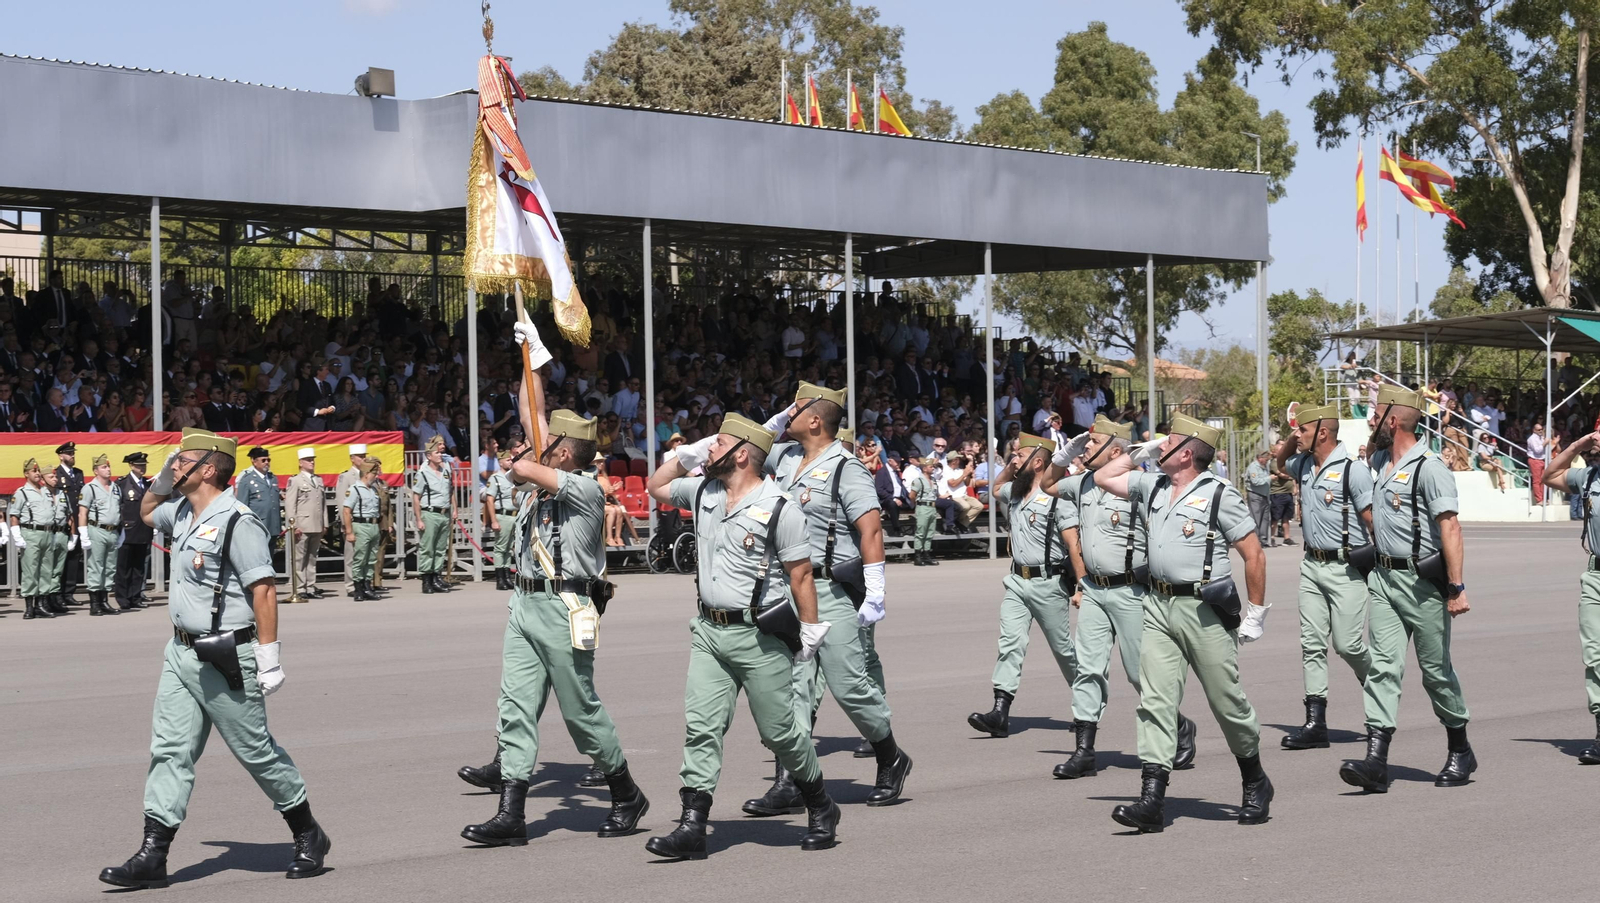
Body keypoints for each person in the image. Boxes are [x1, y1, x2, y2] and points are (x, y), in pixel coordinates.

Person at [99, 429, 330, 889]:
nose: (174, 464)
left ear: (208, 469)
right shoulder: (183, 510)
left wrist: (268, 657)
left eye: (183, 460)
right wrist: (165, 475)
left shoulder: (237, 520)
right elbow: (146, 511)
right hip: (181, 651)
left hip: (226, 654)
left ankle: (308, 832)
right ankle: (153, 854)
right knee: (170, 750)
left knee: (255, 752)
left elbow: (263, 589)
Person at [460, 386, 649, 848]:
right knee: (515, 707)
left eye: (546, 444)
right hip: (525, 603)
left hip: (563, 608)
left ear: (563, 452)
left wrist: (523, 459)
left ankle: (626, 792)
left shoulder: (585, 487)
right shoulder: (549, 478)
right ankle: (511, 813)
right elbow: (533, 410)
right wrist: (531, 357)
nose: (534, 445)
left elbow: (524, 467)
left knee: (580, 711)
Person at [644, 414, 840, 860]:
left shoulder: (780, 507)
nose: (709, 448)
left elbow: (801, 574)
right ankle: (692, 824)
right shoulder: (704, 491)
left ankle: (819, 803)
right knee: (702, 727)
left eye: (718, 443)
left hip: (758, 638)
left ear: (742, 455)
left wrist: (810, 631)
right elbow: (656, 486)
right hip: (709, 632)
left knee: (779, 733)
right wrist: (686, 454)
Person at [1094, 414, 1273, 832]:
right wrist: (1141, 451)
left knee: (1226, 702)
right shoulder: (1153, 485)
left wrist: (1256, 613)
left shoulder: (1219, 493)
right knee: (1155, 701)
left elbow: (1253, 554)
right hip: (1158, 606)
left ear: (1187, 453)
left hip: (1203, 610)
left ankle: (1254, 780)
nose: (1160, 445)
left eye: (1168, 441)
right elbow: (1103, 476)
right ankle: (1152, 800)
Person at [744, 383, 908, 814]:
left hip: (830, 590)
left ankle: (890, 755)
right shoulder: (785, 457)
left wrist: (875, 589)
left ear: (816, 420)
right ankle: (789, 781)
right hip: (788, 588)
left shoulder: (845, 467)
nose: (788, 414)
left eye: (796, 409)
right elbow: (750, 446)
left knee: (848, 685)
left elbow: (871, 529)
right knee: (792, 689)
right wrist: (780, 418)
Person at [1339, 385, 1476, 793]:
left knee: (1435, 672)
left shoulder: (1429, 468)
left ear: (1393, 420)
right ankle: (1376, 761)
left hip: (1422, 585)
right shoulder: (1381, 460)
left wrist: (1456, 587)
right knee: (1383, 666)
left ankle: (1460, 748)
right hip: (1383, 579)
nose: (1370, 418)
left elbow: (1450, 528)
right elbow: (1371, 454)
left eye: (1376, 413)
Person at [1044, 416, 1197, 779]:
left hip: (1131, 590)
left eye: (1094, 443)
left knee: (1139, 673)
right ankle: (1084, 751)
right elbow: (1048, 484)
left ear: (1116, 452)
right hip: (1094, 590)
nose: (1086, 447)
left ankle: (1177, 726)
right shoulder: (1082, 483)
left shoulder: (1138, 485)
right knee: (1088, 669)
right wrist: (1062, 456)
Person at [1273, 404, 1374, 751]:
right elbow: (1279, 463)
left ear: (1323, 433)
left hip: (1346, 568)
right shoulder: (1303, 464)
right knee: (1311, 644)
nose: (1296, 435)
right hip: (1312, 566)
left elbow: (1373, 520)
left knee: (1347, 645)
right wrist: (1293, 437)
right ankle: (1316, 723)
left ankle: (1379, 685)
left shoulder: (1353, 471)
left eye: (1302, 430)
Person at [966, 433, 1079, 739]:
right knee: (1010, 644)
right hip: (1017, 581)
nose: (1013, 459)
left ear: (1038, 462)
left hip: (1048, 582)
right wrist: (1011, 466)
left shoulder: (1057, 497)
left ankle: (1087, 702)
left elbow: (1073, 543)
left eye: (1019, 455)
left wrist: (1081, 586)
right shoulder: (1016, 492)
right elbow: (995, 488)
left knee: (1063, 649)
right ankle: (1000, 712)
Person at [1542, 429, 1600, 764]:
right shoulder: (1589, 475)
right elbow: (1550, 475)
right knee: (1594, 654)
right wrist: (1577, 445)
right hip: (1595, 575)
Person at [11, 459, 60, 618]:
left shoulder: (45, 490)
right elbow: (14, 515)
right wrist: (17, 535)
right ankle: (29, 607)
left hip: (47, 533)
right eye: (34, 471)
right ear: (26, 474)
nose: (38, 474)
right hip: (31, 533)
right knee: (30, 570)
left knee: (46, 570)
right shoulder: (22, 492)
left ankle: (41, 604)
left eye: (38, 471)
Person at [79, 453, 126, 615]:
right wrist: (83, 533)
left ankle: (104, 601)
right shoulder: (90, 488)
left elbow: (119, 510)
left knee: (110, 567)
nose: (108, 469)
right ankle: (94, 604)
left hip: (113, 531)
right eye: (104, 467)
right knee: (96, 566)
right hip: (97, 529)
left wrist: (122, 531)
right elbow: (83, 512)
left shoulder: (116, 488)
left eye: (108, 466)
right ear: (95, 471)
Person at [411, 435, 455, 593]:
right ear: (429, 456)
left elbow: (450, 491)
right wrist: (418, 519)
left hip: (444, 512)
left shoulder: (445, 471)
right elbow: (416, 497)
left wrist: (453, 510)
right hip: (430, 513)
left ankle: (436, 576)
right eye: (437, 453)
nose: (440, 455)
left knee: (440, 548)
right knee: (428, 548)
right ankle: (426, 580)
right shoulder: (423, 473)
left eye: (440, 453)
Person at [284, 448, 326, 601]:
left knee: (312, 557)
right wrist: (293, 525)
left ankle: (310, 586)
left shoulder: (318, 480)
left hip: (316, 523)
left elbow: (323, 503)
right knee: (300, 559)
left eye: (312, 459)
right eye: (308, 460)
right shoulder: (295, 480)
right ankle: (300, 588)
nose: (312, 462)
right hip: (302, 524)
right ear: (300, 463)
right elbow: (290, 504)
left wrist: (325, 523)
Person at [341, 459, 384, 601]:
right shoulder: (355, 489)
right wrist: (349, 532)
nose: (376, 476)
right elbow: (346, 511)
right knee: (360, 558)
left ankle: (367, 586)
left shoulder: (373, 490)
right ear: (366, 474)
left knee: (371, 558)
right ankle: (358, 588)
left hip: (373, 525)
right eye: (374, 473)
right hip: (361, 525)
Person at [115, 452, 153, 610]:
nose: (142, 468)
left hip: (143, 530)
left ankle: (136, 596)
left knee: (139, 567)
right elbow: (118, 506)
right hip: (127, 531)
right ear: (131, 465)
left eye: (144, 465)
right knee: (124, 567)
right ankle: (123, 598)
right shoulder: (122, 483)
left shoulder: (148, 484)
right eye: (139, 465)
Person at [483, 449, 520, 590]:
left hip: (514, 515)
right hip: (503, 515)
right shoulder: (496, 478)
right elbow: (489, 500)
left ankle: (507, 576)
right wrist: (493, 520)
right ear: (500, 462)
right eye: (507, 460)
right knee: (500, 548)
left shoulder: (514, 476)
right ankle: (500, 578)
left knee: (509, 548)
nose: (510, 462)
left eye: (511, 460)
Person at [336, 444, 369, 597]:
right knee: (351, 555)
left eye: (364, 456)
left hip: (365, 521)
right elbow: (341, 501)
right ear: (352, 458)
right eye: (360, 457)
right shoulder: (346, 477)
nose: (363, 459)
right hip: (352, 520)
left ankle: (364, 583)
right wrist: (345, 523)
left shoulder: (367, 475)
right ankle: (351, 585)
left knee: (365, 554)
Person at [55, 441, 85, 602]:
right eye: (69, 453)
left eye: (73, 453)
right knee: (60, 557)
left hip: (77, 520)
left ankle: (69, 592)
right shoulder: (56, 474)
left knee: (74, 557)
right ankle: (57, 593)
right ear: (61, 456)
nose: (72, 456)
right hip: (63, 521)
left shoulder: (78, 473)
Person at [236, 447, 283, 542]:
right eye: (263, 460)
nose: (267, 462)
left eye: (268, 460)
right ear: (254, 461)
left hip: (273, 526)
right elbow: (242, 506)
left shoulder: (273, 478)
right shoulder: (247, 480)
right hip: (257, 527)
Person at [907, 456, 938, 566]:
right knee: (920, 532)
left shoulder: (933, 480)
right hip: (923, 506)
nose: (933, 468)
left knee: (930, 532)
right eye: (931, 466)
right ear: (924, 468)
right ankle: (918, 556)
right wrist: (916, 504)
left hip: (932, 507)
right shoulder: (918, 481)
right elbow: (912, 495)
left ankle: (927, 554)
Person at [1268, 445, 1296, 547]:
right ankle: (1271, 537)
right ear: (1275, 452)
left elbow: (1292, 474)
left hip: (1287, 493)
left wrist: (1294, 486)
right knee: (1275, 517)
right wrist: (1292, 475)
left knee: (1286, 517)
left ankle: (1287, 538)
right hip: (1277, 493)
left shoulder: (1286, 462)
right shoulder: (1274, 463)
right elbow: (1282, 475)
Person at [1245, 450, 1272, 547]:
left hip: (1264, 495)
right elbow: (1255, 481)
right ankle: (1256, 541)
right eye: (1265, 459)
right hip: (1255, 495)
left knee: (1265, 518)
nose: (1267, 461)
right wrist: (1269, 478)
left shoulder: (1264, 467)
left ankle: (1263, 540)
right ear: (1260, 458)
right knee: (1256, 518)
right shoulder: (1253, 467)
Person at [1528, 422, 1548, 504]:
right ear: (1534, 430)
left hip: (1542, 459)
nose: (1540, 431)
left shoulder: (1541, 437)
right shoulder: (1532, 439)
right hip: (1535, 460)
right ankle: (1539, 500)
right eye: (1538, 430)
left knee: (1543, 480)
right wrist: (1544, 443)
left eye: (1541, 429)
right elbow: (1537, 450)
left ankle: (1543, 498)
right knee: (1537, 481)